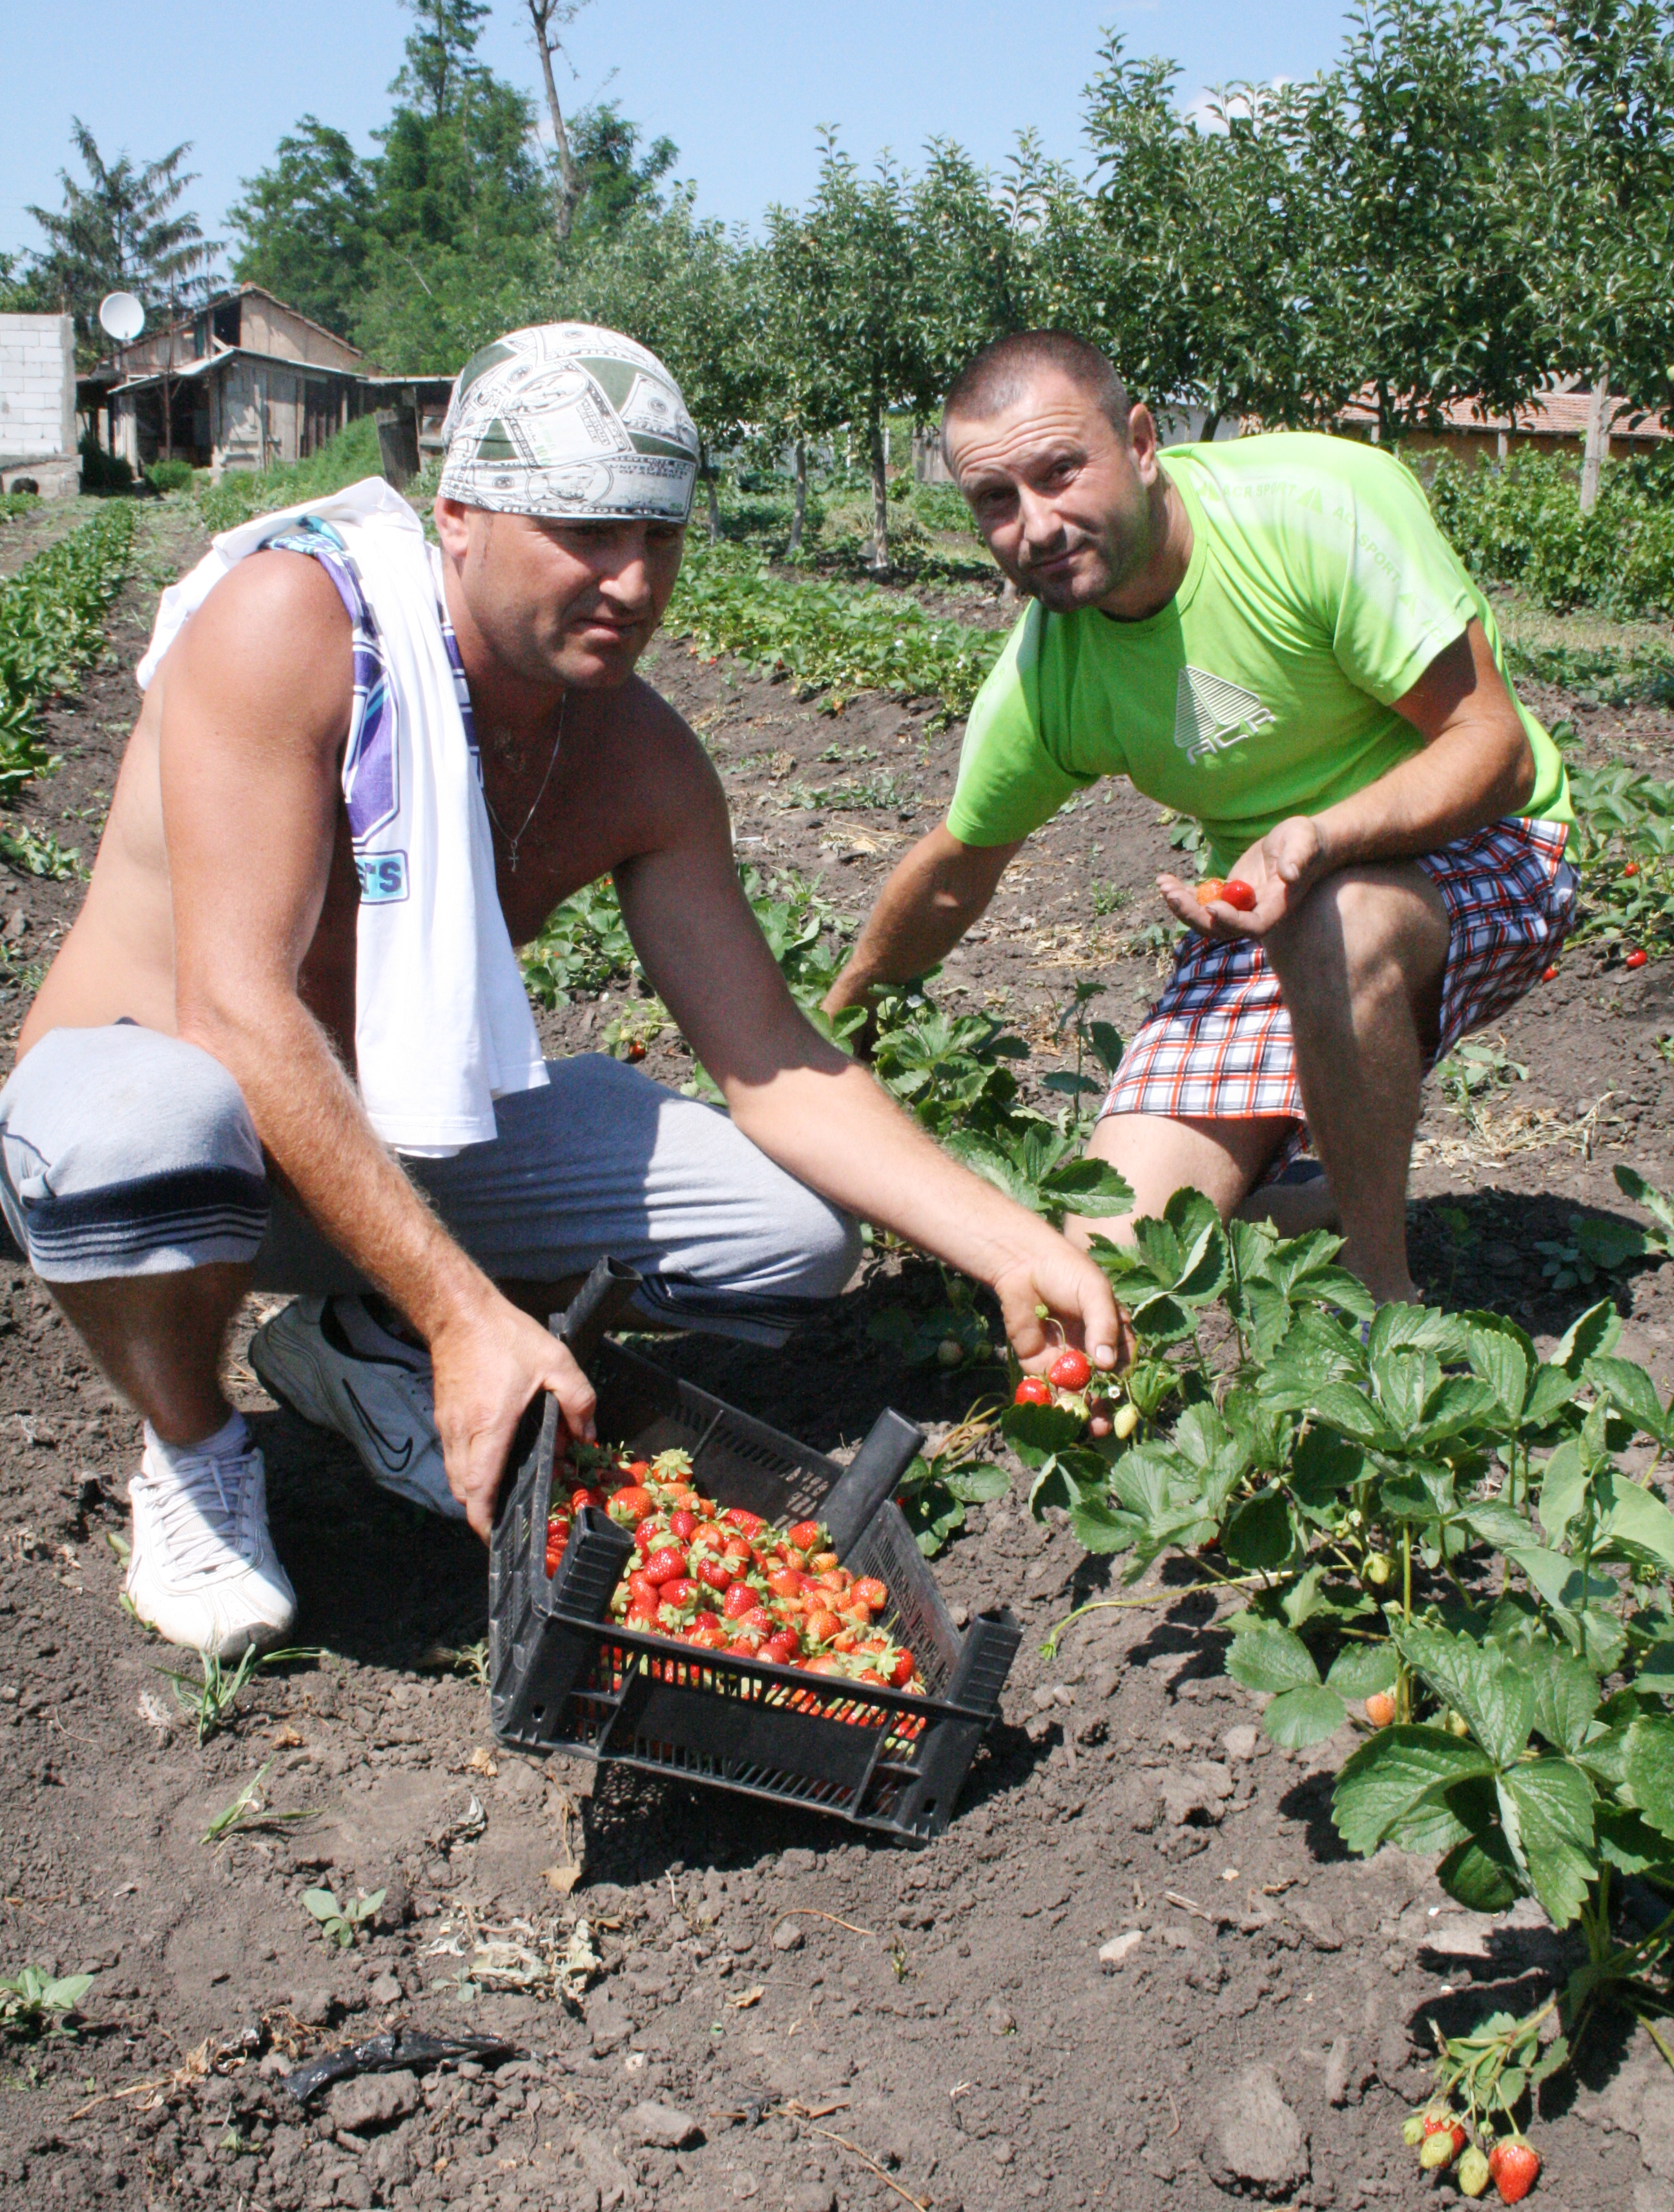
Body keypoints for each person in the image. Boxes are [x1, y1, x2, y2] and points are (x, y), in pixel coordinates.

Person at [0, 323, 1127, 1659]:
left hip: (384, 1136)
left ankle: (360, 1344)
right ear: (459, 520)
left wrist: (1010, 1241)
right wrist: (469, 1312)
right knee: (151, 1129)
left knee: (792, 1238)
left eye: (658, 535)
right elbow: (237, 1011)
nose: (632, 578)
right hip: (159, 1146)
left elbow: (769, 1054)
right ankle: (193, 1449)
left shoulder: (635, 757)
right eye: (586, 533)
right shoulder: (294, 626)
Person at [824, 330, 1574, 1304]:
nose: (1037, 525)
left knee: (1338, 918)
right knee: (1113, 1255)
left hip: (1487, 847)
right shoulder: (1048, 673)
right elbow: (960, 867)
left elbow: (1495, 749)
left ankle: (1384, 1304)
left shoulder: (1312, 510)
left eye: (1061, 472)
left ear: (1140, 442)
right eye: (996, 501)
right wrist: (828, 1028)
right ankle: (1331, 1187)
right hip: (1277, 900)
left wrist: (1322, 837)